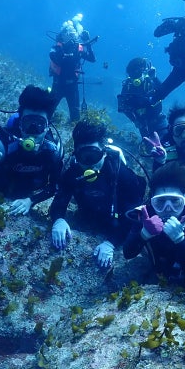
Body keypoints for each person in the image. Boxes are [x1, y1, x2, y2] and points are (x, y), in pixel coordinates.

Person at [49, 115, 145, 270]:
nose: (89, 163)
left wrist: (111, 243)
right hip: (88, 219)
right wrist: (58, 220)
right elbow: (59, 201)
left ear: (104, 152)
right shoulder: (72, 174)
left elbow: (133, 216)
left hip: (116, 224)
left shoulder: (122, 175)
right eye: (84, 156)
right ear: (76, 155)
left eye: (94, 155)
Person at [0, 85, 63, 216]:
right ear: (20, 124)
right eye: (28, 123)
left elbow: (54, 186)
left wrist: (31, 201)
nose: (33, 131)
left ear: (47, 127)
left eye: (39, 124)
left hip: (26, 191)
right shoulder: (3, 142)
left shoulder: (53, 151)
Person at [122, 162, 185, 283]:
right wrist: (144, 234)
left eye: (175, 201)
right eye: (160, 201)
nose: (168, 208)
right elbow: (128, 253)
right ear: (151, 200)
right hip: (158, 270)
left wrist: (180, 239)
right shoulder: (145, 216)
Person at [49, 13, 96, 122]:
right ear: (63, 35)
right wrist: (66, 51)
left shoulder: (78, 49)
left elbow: (92, 59)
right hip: (58, 85)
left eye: (73, 34)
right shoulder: (56, 48)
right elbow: (57, 59)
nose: (72, 37)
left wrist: (87, 43)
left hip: (72, 86)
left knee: (75, 117)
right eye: (69, 34)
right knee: (48, 112)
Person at [117, 57, 167, 140]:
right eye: (131, 74)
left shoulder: (150, 81)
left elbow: (164, 92)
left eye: (136, 73)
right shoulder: (127, 86)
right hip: (143, 124)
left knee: (166, 140)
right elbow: (123, 107)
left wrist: (154, 78)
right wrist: (134, 120)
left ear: (143, 71)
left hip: (159, 120)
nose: (134, 77)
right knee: (150, 145)